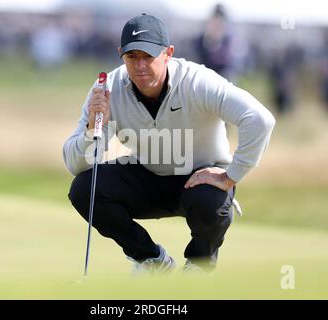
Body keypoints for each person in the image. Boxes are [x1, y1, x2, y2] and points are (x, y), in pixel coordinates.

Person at [63, 14, 275, 275]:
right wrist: (93, 130)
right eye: (132, 56)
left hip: (198, 178)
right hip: (147, 175)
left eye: (148, 56)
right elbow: (75, 164)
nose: (140, 66)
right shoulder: (108, 89)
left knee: (211, 200)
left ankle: (198, 266)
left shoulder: (197, 81)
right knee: (85, 189)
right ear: (121, 55)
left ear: (168, 53)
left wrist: (231, 176)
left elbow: (259, 119)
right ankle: (151, 260)